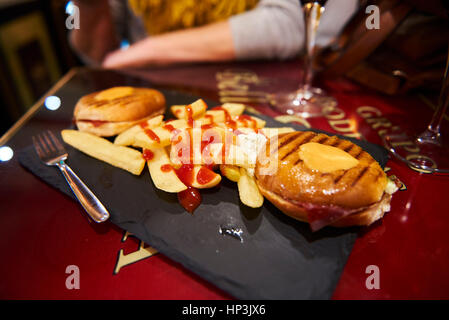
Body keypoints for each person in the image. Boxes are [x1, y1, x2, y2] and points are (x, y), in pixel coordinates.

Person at [69, 0, 359, 69]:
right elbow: (96, 56)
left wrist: (152, 48)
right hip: (156, 99)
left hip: (250, 92)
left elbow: (287, 23)